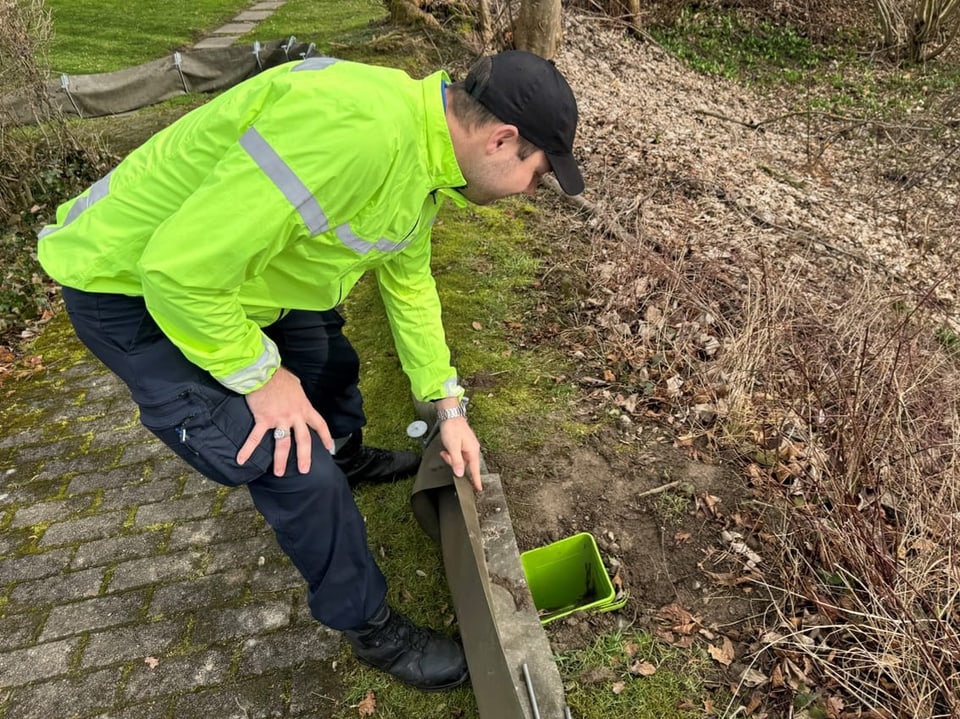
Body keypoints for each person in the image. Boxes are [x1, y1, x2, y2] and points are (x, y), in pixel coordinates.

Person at [36, 49, 583, 692]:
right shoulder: (358, 136)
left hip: (233, 279)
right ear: (502, 139)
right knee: (290, 457)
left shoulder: (424, 153)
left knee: (323, 353)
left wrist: (447, 405)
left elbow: (408, 286)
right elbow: (177, 274)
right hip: (129, 287)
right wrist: (263, 377)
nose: (528, 194)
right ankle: (370, 627)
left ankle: (346, 452)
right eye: (538, 175)